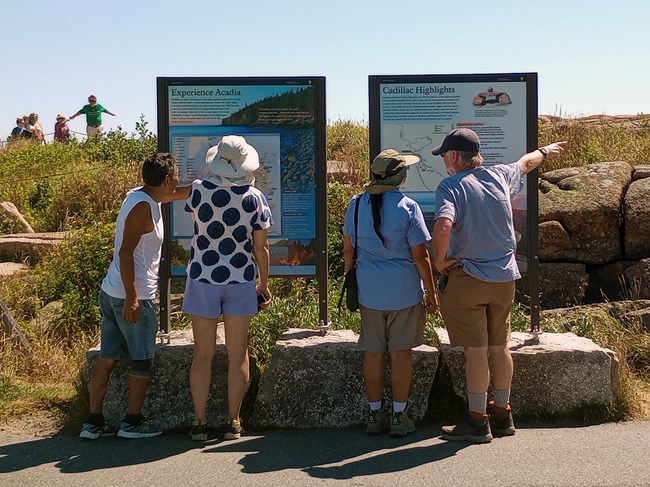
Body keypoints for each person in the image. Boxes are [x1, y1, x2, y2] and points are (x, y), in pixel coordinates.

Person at [431, 128, 565, 443]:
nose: (444, 164)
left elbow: (443, 225)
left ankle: (478, 421)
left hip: (470, 279)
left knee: (476, 353)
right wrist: (544, 150)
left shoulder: (450, 186)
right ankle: (503, 414)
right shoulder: (500, 175)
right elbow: (525, 163)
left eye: (444, 157)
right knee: (500, 346)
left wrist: (439, 262)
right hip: (505, 278)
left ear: (453, 157)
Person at [79, 153, 190, 440]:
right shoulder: (144, 209)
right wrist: (133, 298)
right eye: (177, 174)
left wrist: (204, 187)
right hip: (132, 294)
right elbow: (126, 252)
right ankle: (132, 421)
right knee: (141, 360)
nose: (179, 178)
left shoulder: (142, 196)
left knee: (107, 357)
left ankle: (93, 423)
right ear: (166, 179)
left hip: (112, 290)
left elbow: (170, 195)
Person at [182, 135, 272, 442]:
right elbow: (261, 248)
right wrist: (263, 282)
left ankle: (199, 422)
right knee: (238, 354)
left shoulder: (197, 190)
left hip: (202, 277)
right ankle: (233, 421)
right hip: (239, 278)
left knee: (202, 354)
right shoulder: (255, 198)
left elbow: (199, 224)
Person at [343, 148, 438, 437]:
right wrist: (431, 293)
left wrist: (353, 277)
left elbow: (349, 251)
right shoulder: (409, 207)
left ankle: (374, 415)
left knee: (373, 355)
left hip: (370, 292)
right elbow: (421, 257)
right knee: (401, 355)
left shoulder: (356, 204)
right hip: (404, 293)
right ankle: (399, 417)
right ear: (400, 177)